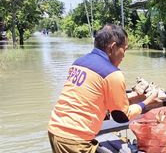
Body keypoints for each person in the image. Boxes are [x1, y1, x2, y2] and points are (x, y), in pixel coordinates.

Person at [48, 24, 158, 153]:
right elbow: (121, 116)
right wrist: (148, 101)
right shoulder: (113, 74)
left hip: (55, 130)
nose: (124, 55)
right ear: (112, 47)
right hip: (74, 139)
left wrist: (133, 96)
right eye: (124, 49)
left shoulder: (78, 62)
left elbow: (95, 98)